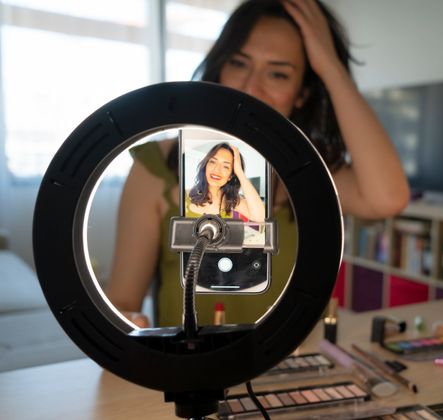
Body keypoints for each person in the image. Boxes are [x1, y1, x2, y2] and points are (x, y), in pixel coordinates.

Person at [106, 0, 409, 328]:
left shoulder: (312, 174)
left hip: (292, 372)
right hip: (192, 372)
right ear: (220, 68)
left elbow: (389, 197)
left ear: (302, 93)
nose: (250, 87)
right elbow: (123, 302)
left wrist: (331, 66)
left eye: (278, 73)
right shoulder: (160, 165)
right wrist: (130, 325)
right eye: (239, 63)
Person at [186, 142, 265, 222]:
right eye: (213, 162)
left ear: (230, 176)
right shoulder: (184, 195)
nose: (216, 169)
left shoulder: (232, 200)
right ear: (206, 166)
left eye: (225, 166)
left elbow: (260, 217)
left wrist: (240, 172)